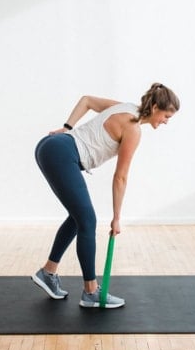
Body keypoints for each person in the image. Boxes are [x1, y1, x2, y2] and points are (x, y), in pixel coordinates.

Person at [32, 83, 180, 308]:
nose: (166, 121)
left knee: (78, 218)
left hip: (53, 147)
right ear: (156, 107)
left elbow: (87, 100)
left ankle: (48, 273)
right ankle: (90, 292)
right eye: (166, 116)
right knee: (88, 220)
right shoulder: (133, 129)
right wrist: (117, 217)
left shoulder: (125, 107)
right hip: (61, 153)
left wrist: (67, 127)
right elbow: (120, 177)